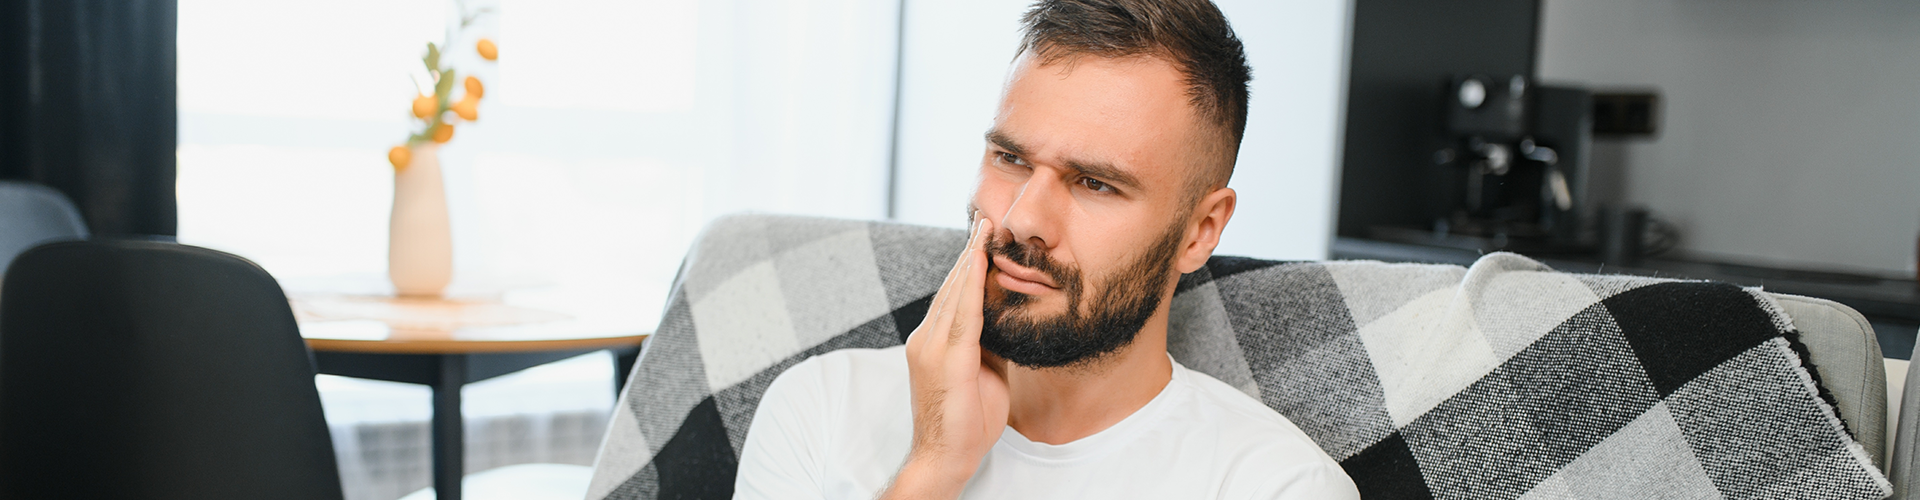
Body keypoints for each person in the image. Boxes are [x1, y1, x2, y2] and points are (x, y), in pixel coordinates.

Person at [734, 0, 1359, 498]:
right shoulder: (819, 406)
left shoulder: (1276, 485)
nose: (1021, 217)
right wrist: (930, 474)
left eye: (1095, 183)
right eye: (1009, 158)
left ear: (1200, 231)